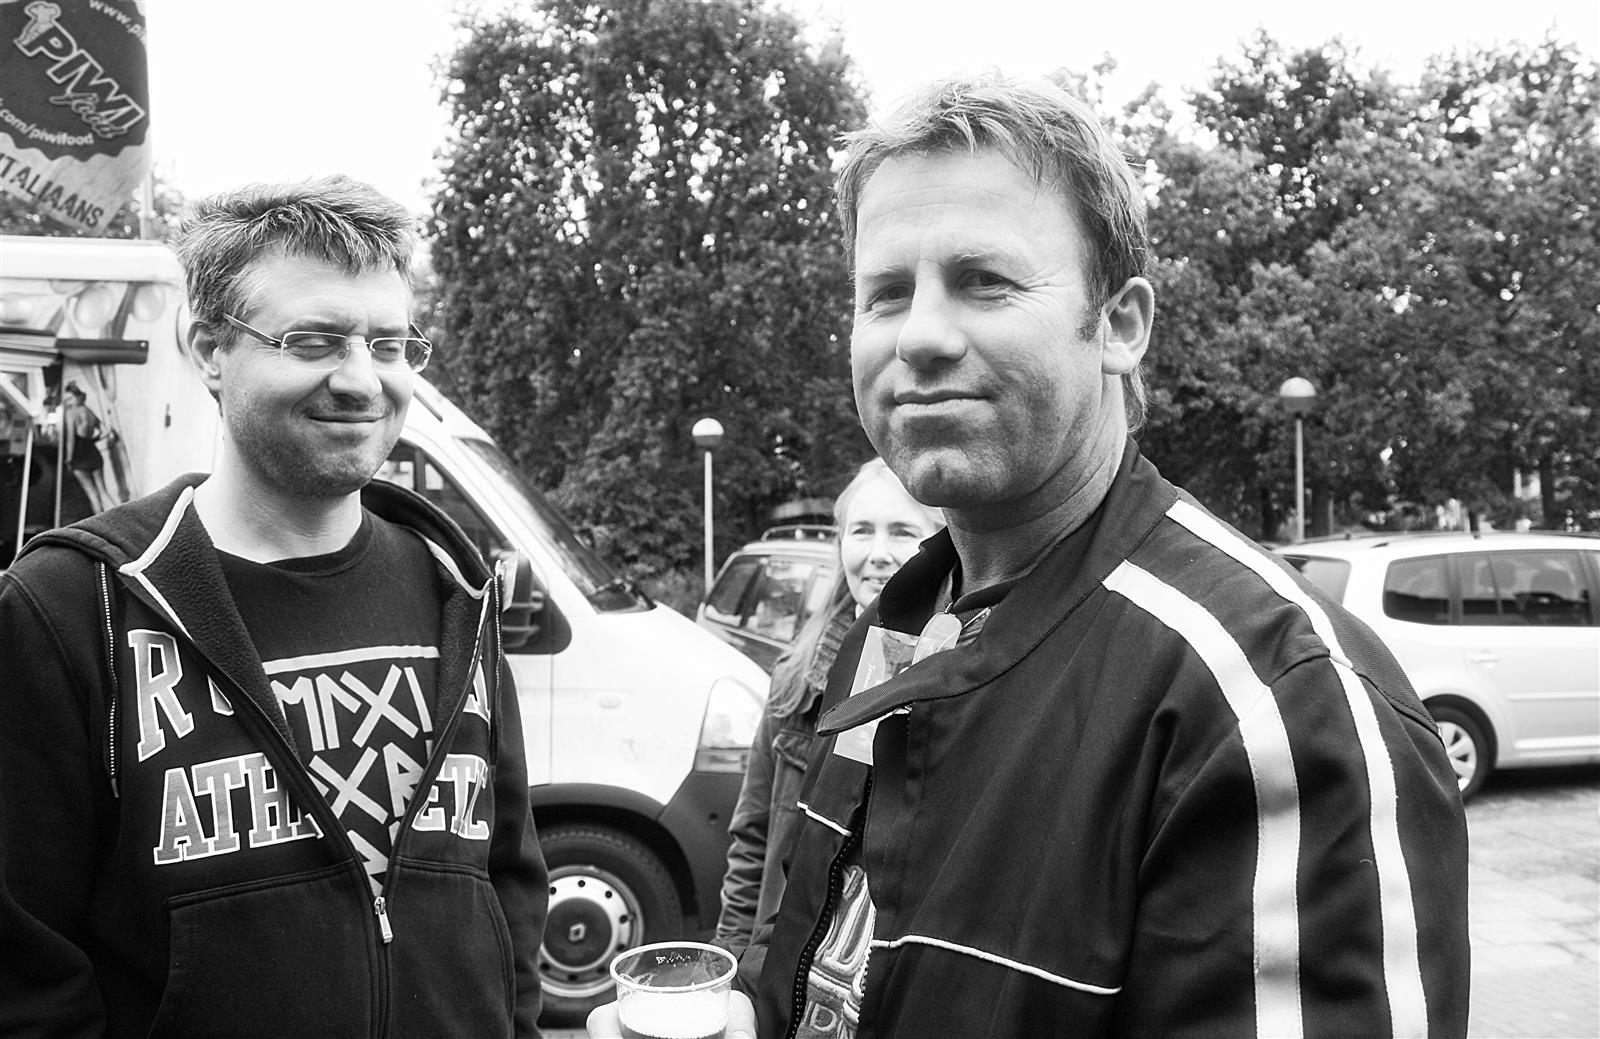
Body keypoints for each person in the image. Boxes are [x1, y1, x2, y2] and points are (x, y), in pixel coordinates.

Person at [592, 74, 1474, 1039]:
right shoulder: (888, 636)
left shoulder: (1273, 704)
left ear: (1121, 326)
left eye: (986, 281)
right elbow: (827, 972)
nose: (920, 336)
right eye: (886, 293)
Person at [0, 176, 547, 1038]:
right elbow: (25, 972)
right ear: (209, 349)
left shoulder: (455, 588)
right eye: (313, 339)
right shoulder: (72, 606)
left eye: (390, 344)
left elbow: (507, 885)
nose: (362, 380)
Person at [716, 459, 943, 956]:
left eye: (902, 532)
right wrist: (731, 963)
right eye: (861, 531)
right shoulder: (797, 680)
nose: (878, 553)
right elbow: (752, 840)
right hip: (784, 963)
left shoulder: (962, 679)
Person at [61, 381, 111, 513]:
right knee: (104, 493)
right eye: (66, 400)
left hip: (79, 458)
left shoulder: (71, 413)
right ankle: (121, 517)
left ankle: (102, 524)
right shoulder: (89, 411)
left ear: (77, 397)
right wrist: (94, 440)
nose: (68, 403)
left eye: (70, 399)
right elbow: (106, 431)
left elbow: (71, 439)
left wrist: (68, 459)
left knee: (93, 496)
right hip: (93, 454)